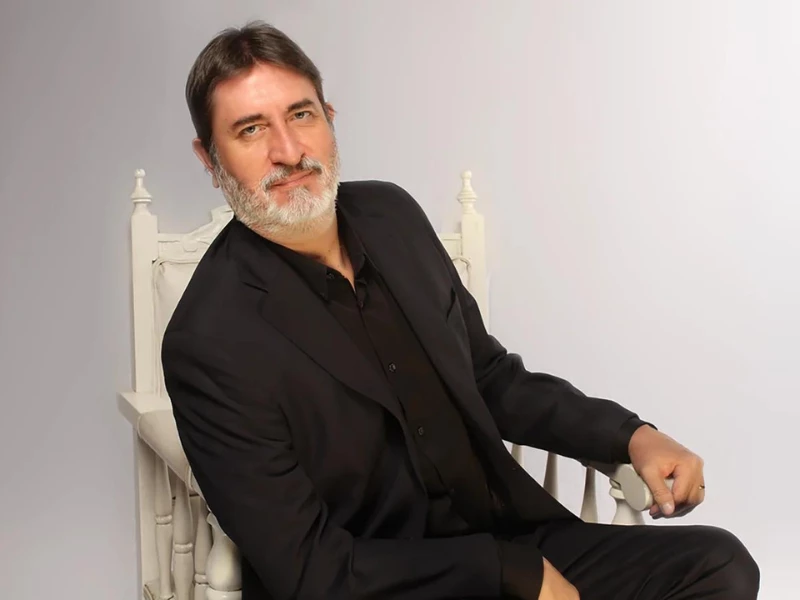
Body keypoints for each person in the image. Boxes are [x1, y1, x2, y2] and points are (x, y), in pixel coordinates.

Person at [162, 21, 759, 600]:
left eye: (301, 115)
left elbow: (490, 378)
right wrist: (503, 572)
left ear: (329, 118)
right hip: (383, 582)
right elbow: (310, 569)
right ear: (209, 159)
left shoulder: (391, 216)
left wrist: (631, 436)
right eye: (250, 130)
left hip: (507, 535)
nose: (289, 152)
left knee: (720, 567)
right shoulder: (207, 341)